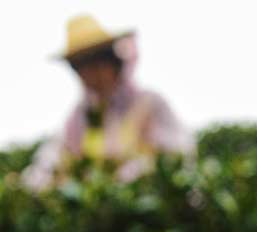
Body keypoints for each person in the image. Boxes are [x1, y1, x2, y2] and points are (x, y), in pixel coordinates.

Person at [24, 15, 193, 189]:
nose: (91, 75)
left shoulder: (149, 104)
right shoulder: (79, 117)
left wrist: (135, 174)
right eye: (81, 67)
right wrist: (35, 180)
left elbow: (178, 153)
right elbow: (53, 157)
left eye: (96, 64)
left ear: (112, 60)